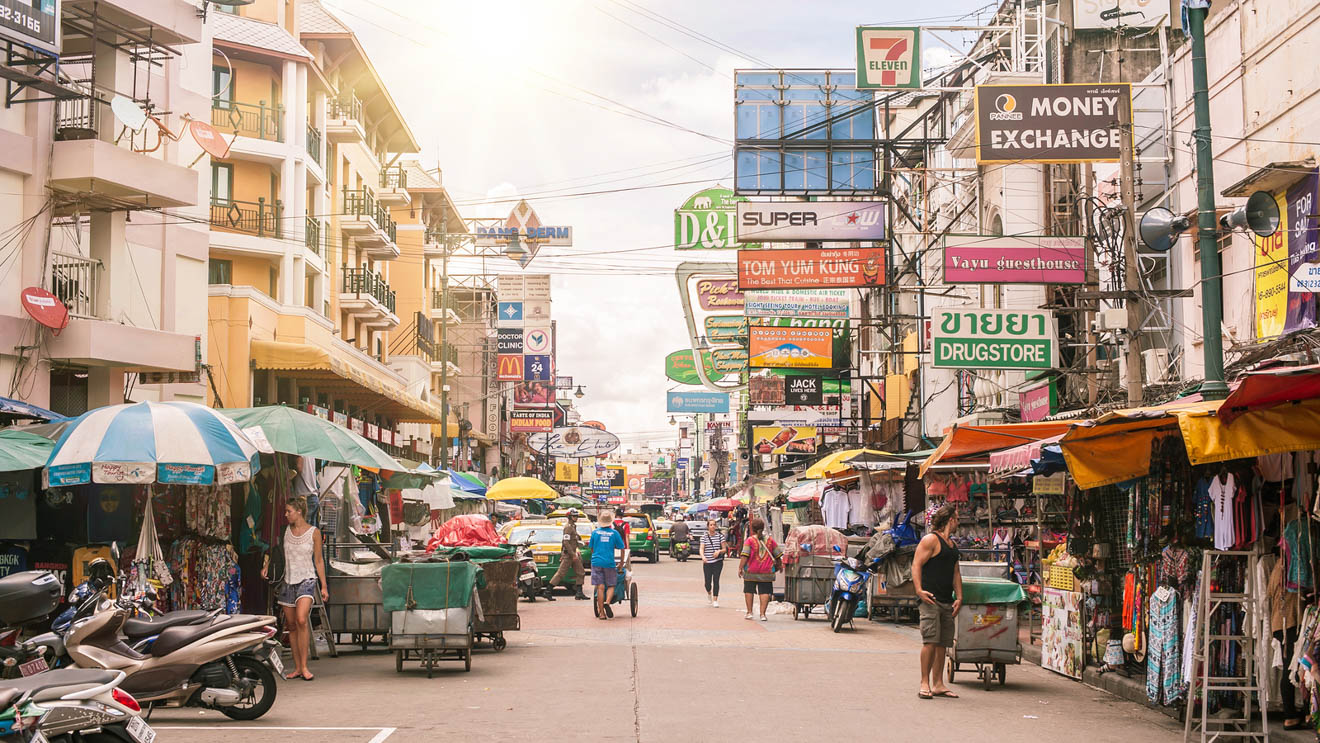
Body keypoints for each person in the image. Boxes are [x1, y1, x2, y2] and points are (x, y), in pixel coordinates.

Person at [262, 496, 328, 682]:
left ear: (299, 512)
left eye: (289, 511)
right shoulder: (284, 531)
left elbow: (319, 560)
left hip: (307, 579)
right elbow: (274, 552)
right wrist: (267, 566)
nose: (286, 515)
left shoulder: (314, 532)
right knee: (291, 625)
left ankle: (305, 666)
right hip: (287, 581)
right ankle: (298, 668)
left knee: (301, 619)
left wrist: (324, 586)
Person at [911, 504, 963, 699]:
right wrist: (919, 590)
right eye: (957, 518)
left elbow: (956, 573)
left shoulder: (952, 545)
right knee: (930, 641)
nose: (958, 522)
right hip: (930, 599)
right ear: (950, 520)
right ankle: (924, 682)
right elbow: (916, 564)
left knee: (943, 643)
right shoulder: (931, 540)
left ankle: (938, 683)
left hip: (946, 600)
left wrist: (959, 597)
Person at [739, 517, 782, 621]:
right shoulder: (770, 541)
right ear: (763, 528)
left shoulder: (749, 541)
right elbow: (778, 555)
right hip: (766, 572)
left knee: (749, 590)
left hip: (751, 571)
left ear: (752, 528)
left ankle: (749, 612)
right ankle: (763, 614)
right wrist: (780, 566)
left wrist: (740, 568)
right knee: (765, 592)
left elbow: (745, 556)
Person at [588, 510, 626, 619]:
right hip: (609, 563)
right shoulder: (614, 533)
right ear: (610, 522)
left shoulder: (595, 533)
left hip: (596, 562)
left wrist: (595, 557)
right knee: (611, 585)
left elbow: (591, 548)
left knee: (600, 587)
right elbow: (622, 548)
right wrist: (621, 563)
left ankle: (602, 614)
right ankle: (607, 602)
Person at [546, 511, 588, 601]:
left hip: (573, 553)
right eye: (574, 516)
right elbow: (565, 542)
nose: (576, 518)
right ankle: (548, 591)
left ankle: (579, 593)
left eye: (576, 516)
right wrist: (572, 554)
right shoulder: (568, 528)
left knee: (581, 572)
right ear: (569, 517)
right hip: (569, 555)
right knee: (561, 573)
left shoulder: (573, 527)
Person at [700, 515, 726, 607]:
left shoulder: (720, 537)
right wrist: (703, 557)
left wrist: (719, 551)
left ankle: (715, 599)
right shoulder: (704, 537)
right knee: (707, 582)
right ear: (708, 526)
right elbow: (701, 548)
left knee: (716, 580)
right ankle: (709, 593)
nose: (713, 526)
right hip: (707, 562)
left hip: (717, 562)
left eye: (714, 525)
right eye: (711, 525)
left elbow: (724, 549)